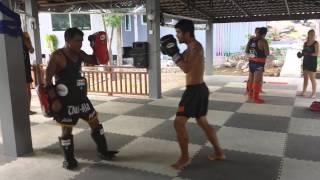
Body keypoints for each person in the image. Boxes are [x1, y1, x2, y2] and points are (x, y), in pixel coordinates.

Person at [44, 27, 118, 170]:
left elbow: (97, 61)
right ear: (68, 40)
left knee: (95, 122)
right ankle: (69, 159)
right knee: (66, 131)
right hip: (65, 100)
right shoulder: (57, 56)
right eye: (77, 41)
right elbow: (47, 81)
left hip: (80, 98)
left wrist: (97, 46)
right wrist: (54, 100)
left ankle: (103, 151)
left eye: (82, 41)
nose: (80, 44)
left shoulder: (80, 54)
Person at [160, 19, 225, 170]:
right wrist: (169, 52)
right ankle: (219, 152)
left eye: (178, 32)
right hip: (198, 89)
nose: (177, 36)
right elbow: (182, 60)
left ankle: (184, 158)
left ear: (187, 33)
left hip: (194, 92)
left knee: (178, 123)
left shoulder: (195, 47)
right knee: (203, 122)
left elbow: (186, 68)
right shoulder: (189, 48)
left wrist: (174, 54)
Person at [244, 27, 269, 103]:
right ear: (264, 34)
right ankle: (256, 98)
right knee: (257, 81)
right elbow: (267, 53)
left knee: (250, 79)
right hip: (259, 64)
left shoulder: (251, 40)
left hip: (251, 62)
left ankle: (250, 95)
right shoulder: (263, 41)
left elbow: (246, 51)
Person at [297, 29, 318, 98]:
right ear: (308, 35)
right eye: (310, 34)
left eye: (313, 34)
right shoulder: (305, 43)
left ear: (314, 35)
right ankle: (303, 92)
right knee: (305, 78)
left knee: (312, 78)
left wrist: (309, 54)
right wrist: (300, 55)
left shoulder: (316, 43)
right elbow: (304, 53)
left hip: (312, 62)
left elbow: (317, 53)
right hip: (305, 61)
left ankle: (314, 93)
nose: (312, 35)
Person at [22, 32, 36, 115]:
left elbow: (31, 50)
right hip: (16, 67)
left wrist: (27, 40)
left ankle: (28, 109)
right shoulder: (11, 37)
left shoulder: (25, 36)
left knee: (27, 90)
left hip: (26, 67)